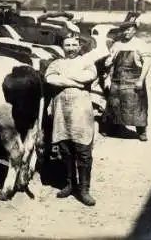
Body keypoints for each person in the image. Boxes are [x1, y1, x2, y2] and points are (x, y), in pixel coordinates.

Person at [45, 34, 98, 206]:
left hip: (81, 112)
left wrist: (65, 79)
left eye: (74, 45)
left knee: (83, 150)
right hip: (61, 112)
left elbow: (88, 77)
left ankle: (84, 190)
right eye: (67, 45)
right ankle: (70, 184)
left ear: (80, 47)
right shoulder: (56, 63)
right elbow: (50, 78)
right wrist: (75, 83)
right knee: (65, 150)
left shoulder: (87, 62)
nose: (71, 48)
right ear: (62, 47)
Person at [102, 22, 151, 141]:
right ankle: (114, 127)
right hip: (117, 80)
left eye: (129, 30)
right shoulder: (117, 44)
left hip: (134, 79)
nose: (127, 32)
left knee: (137, 106)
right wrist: (107, 65)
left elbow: (147, 63)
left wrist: (141, 80)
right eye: (124, 30)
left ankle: (141, 131)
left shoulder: (140, 44)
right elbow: (110, 61)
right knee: (115, 105)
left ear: (135, 30)